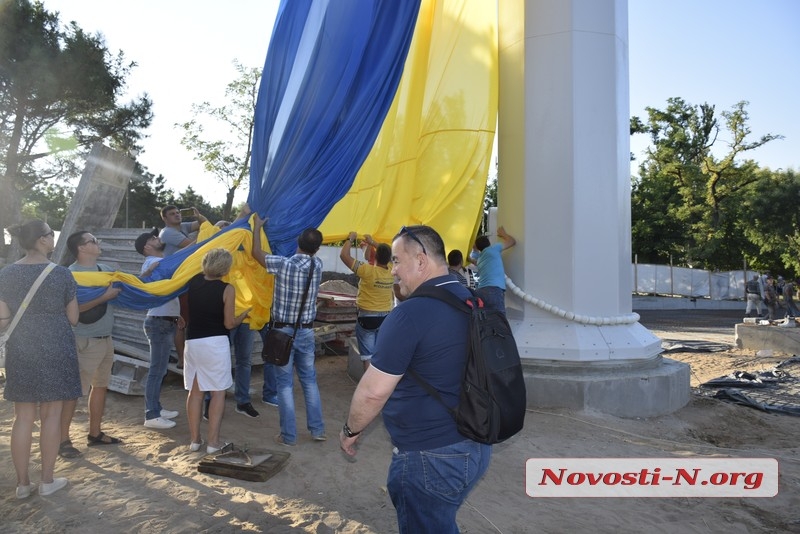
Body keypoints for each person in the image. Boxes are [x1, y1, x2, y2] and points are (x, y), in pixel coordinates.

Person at [339, 225, 491, 533]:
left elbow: (372, 393)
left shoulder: (410, 314)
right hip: (475, 445)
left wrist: (350, 430)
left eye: (397, 260)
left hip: (430, 457)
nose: (393, 270)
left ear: (421, 262)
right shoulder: (472, 300)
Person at [0, 220, 82, 498]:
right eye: (51, 234)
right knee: (51, 416)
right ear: (43, 241)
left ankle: (22, 484)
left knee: (22, 418)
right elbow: (73, 318)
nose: (53, 238)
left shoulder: (6, 274)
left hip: (21, 348)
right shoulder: (61, 274)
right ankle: (47, 480)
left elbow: (2, 320)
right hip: (56, 346)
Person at [251, 215, 326, 445]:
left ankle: (289, 435)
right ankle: (317, 430)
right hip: (306, 332)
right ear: (317, 248)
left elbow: (256, 254)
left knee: (284, 385)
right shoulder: (318, 265)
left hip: (283, 332)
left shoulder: (285, 264)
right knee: (309, 381)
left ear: (298, 242)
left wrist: (257, 228)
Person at [58, 231, 123, 459]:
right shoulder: (69, 275)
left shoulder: (104, 270)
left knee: (101, 386)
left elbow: (120, 292)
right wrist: (103, 297)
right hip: (83, 340)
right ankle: (63, 440)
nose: (98, 243)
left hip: (106, 338)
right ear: (81, 248)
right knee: (73, 392)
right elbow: (71, 311)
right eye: (93, 241)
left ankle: (95, 434)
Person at [184, 248, 250, 453]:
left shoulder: (192, 282)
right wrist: (244, 314)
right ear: (226, 268)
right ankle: (213, 443)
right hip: (215, 344)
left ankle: (195, 440)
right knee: (217, 393)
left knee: (195, 393)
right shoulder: (227, 289)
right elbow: (229, 323)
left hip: (193, 341)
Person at [136, 229, 182, 429]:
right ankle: (151, 415)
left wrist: (176, 314)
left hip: (164, 320)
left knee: (160, 369)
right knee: (157, 370)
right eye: (153, 238)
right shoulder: (151, 263)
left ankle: (156, 407)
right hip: (158, 322)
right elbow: (144, 282)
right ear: (147, 247)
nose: (158, 238)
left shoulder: (158, 262)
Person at [159, 205, 208, 368]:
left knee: (188, 319)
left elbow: (205, 225)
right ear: (165, 219)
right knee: (182, 321)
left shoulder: (183, 227)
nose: (177, 215)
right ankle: (182, 359)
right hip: (178, 280)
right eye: (172, 214)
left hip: (188, 277)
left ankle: (190, 358)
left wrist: (199, 216)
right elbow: (195, 245)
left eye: (178, 213)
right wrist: (207, 234)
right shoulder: (168, 233)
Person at [339, 232, 395, 371]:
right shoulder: (392, 270)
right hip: (386, 318)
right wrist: (373, 242)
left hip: (367, 318)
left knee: (368, 357)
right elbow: (390, 255)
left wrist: (350, 239)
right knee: (381, 355)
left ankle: (369, 387)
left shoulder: (366, 270)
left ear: (375, 256)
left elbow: (344, 256)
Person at [470, 226, 516, 314]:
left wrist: (474, 249)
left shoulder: (480, 260)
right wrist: (503, 234)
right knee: (499, 319)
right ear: (489, 243)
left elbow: (473, 260)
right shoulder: (493, 249)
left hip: (481, 290)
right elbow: (512, 241)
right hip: (494, 289)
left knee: (487, 319)